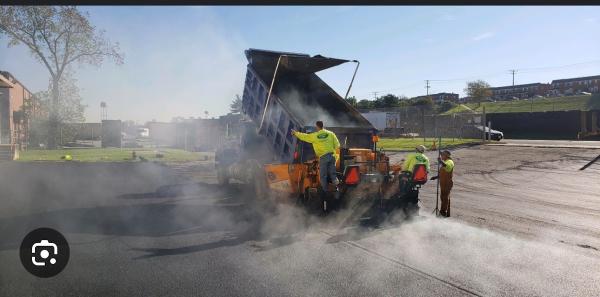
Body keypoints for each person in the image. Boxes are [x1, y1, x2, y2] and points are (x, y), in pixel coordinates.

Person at [291, 121, 340, 193]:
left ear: (317, 126)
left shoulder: (315, 136)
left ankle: (325, 190)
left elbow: (305, 136)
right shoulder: (331, 134)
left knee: (323, 175)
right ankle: (336, 183)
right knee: (332, 171)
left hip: (323, 157)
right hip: (332, 156)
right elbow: (337, 145)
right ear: (323, 126)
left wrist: (295, 133)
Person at [431, 150, 454, 217]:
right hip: (443, 182)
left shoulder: (450, 161)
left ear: (446, 155)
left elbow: (447, 168)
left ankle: (443, 212)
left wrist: (440, 161)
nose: (441, 156)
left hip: (447, 182)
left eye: (442, 155)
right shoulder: (446, 161)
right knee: (444, 197)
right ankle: (446, 213)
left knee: (445, 197)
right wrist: (436, 177)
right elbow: (443, 172)